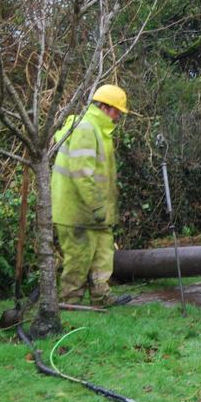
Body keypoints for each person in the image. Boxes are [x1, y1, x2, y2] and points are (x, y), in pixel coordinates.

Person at [51, 84, 131, 308]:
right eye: (116, 111)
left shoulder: (100, 129)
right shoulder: (86, 129)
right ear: (105, 107)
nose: (117, 117)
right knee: (78, 259)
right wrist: (97, 205)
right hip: (77, 211)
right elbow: (81, 173)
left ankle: (101, 296)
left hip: (94, 211)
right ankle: (70, 302)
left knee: (103, 255)